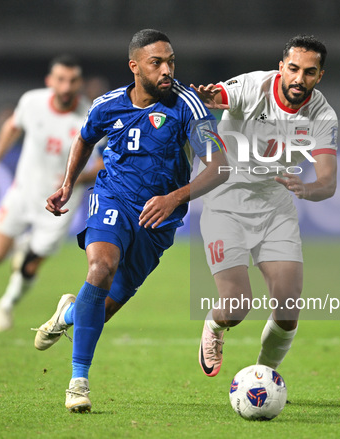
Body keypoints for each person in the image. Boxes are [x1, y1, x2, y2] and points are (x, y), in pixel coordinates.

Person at [32, 29, 228, 413]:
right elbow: (85, 138)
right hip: (113, 199)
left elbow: (220, 167)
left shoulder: (188, 105)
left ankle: (69, 313)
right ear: (135, 66)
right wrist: (68, 184)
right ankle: (78, 381)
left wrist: (174, 198)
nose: (167, 69)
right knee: (101, 267)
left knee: (100, 307)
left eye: (171, 60)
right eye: (157, 62)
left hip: (158, 222)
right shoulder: (107, 105)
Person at [191, 34, 338, 377]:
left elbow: (328, 182)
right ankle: (213, 327)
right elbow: (221, 95)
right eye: (293, 68)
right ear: (281, 67)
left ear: (320, 76)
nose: (299, 78)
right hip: (225, 201)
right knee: (237, 306)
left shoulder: (322, 115)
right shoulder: (253, 87)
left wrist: (309, 187)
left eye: (309, 72)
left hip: (275, 207)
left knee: (288, 310)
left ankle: (264, 377)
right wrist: (211, 99)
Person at [0, 55, 103, 333]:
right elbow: (11, 129)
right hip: (24, 193)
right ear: (50, 81)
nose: (66, 86)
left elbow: (103, 163)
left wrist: (74, 180)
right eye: (61, 79)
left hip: (60, 205)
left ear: (79, 83)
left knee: (31, 265)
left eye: (72, 80)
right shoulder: (31, 102)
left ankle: (7, 304)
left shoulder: (91, 116)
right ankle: (24, 247)